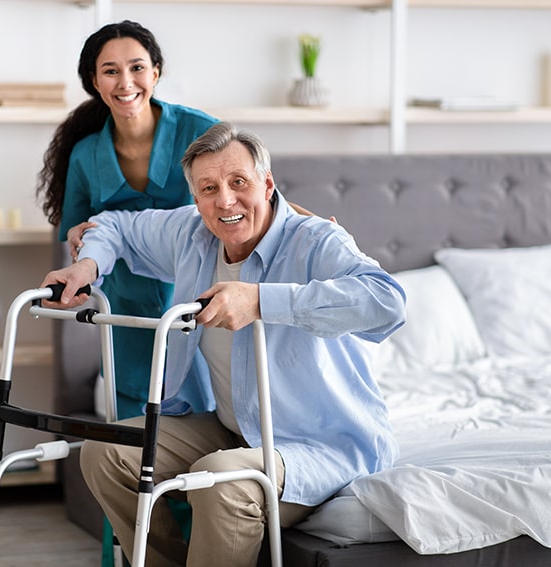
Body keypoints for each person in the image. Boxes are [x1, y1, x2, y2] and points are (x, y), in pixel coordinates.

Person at [40, 121, 406, 566]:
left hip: (320, 443)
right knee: (105, 454)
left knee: (217, 479)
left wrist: (261, 301)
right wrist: (88, 265)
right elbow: (118, 226)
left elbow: (387, 301)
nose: (225, 201)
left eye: (238, 183)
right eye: (209, 188)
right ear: (195, 198)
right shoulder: (192, 233)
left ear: (267, 184)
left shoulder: (316, 241)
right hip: (232, 426)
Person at [36, 20, 220, 420]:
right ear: (95, 82)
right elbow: (75, 227)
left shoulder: (201, 132)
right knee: (135, 440)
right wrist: (75, 236)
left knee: (208, 419)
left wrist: (308, 224)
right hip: (125, 307)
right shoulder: (86, 154)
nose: (126, 82)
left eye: (137, 67)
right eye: (111, 71)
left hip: (198, 301)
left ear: (156, 72)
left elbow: (253, 196)